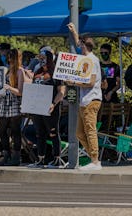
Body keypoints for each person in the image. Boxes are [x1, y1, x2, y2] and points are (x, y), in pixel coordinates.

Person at [67, 22, 102, 170]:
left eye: (80, 45)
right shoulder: (86, 58)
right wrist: (74, 31)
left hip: (91, 100)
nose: (78, 47)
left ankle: (95, 161)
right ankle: (93, 159)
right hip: (85, 101)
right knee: (80, 133)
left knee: (90, 130)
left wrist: (74, 82)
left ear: (84, 45)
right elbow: (77, 42)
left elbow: (91, 82)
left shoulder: (92, 60)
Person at [28, 51, 67, 169]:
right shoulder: (37, 72)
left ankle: (57, 158)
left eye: (43, 57)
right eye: (39, 57)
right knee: (40, 134)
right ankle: (41, 159)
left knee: (53, 132)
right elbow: (32, 89)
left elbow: (62, 91)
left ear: (49, 58)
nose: (41, 59)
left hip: (51, 108)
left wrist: (54, 104)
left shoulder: (56, 72)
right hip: (37, 107)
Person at [0, 48, 27, 166]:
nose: (9, 59)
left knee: (15, 131)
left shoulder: (20, 71)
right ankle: (6, 154)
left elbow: (20, 91)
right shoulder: (8, 70)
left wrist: (9, 87)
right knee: (2, 129)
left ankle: (16, 157)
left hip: (14, 102)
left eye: (11, 57)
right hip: (5, 101)